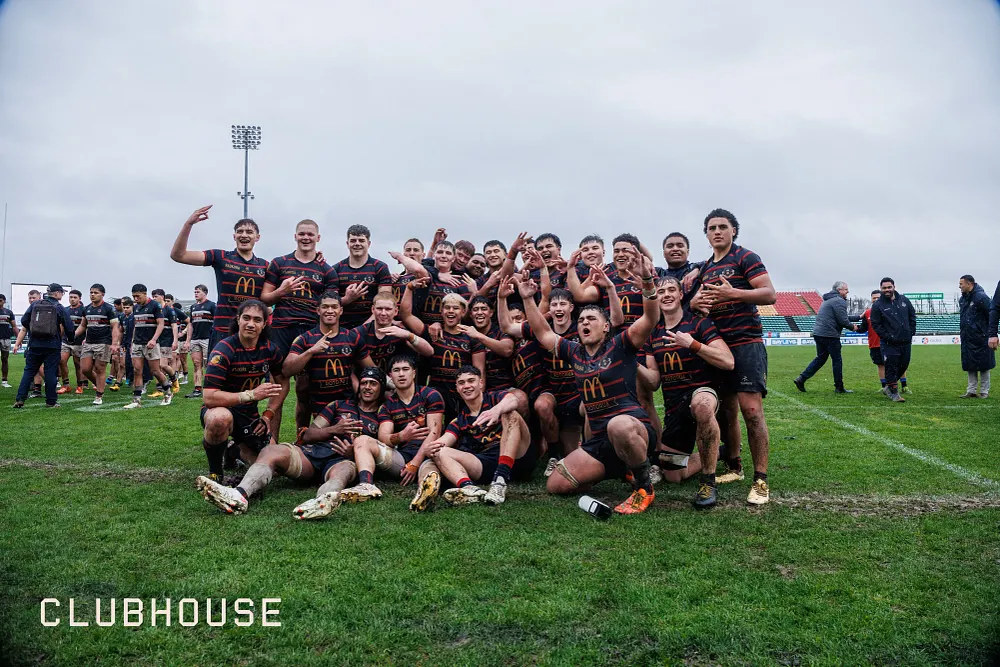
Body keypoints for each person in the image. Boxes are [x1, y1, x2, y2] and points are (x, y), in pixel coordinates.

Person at [524, 246, 662, 515]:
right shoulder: (574, 351)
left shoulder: (620, 345)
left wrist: (647, 281)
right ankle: (620, 468)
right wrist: (529, 299)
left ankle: (644, 487)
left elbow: (650, 317)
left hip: (632, 429)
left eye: (591, 319)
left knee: (618, 425)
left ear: (606, 326)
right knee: (557, 484)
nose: (584, 323)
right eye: (581, 320)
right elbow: (543, 333)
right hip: (598, 440)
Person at [688, 209, 776, 505]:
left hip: (745, 343)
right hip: (717, 346)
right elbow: (700, 305)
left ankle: (761, 480)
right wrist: (696, 303)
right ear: (706, 233)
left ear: (733, 230)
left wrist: (733, 294)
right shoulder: (704, 269)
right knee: (725, 412)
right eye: (711, 228)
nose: (717, 232)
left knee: (752, 411)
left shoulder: (745, 257)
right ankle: (734, 467)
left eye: (722, 227)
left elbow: (769, 294)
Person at [645, 277, 734, 508]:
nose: (666, 295)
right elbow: (653, 383)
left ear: (681, 295)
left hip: (702, 392)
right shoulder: (653, 334)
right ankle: (720, 452)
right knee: (673, 475)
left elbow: (728, 361)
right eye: (661, 291)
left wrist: (693, 345)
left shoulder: (699, 324)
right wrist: (631, 364)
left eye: (671, 290)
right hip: (675, 406)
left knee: (701, 405)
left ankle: (708, 482)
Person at [261, 219, 341, 439]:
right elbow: (265, 298)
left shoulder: (326, 270)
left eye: (310, 234)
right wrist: (281, 291)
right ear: (295, 236)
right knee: (277, 387)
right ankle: (272, 441)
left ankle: (302, 440)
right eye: (302, 234)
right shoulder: (279, 263)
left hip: (310, 331)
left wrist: (348, 298)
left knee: (305, 390)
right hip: (281, 329)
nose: (306, 238)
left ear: (318, 238)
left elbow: (331, 303)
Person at [194, 299, 283, 489]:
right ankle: (216, 473)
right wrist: (251, 395)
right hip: (220, 408)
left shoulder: (269, 349)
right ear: (238, 320)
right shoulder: (224, 349)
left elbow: (282, 383)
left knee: (273, 468)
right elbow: (209, 397)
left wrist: (267, 416)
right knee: (219, 419)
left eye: (257, 320)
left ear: (264, 324)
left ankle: (234, 450)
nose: (251, 324)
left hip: (249, 416)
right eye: (246, 318)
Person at [423, 366, 534, 506]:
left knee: (510, 413)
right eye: (461, 383)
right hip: (486, 463)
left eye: (471, 381)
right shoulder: (459, 420)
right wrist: (429, 449)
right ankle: (470, 489)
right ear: (457, 388)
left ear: (480, 383)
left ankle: (500, 480)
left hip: (518, 456)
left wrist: (496, 411)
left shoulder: (495, 398)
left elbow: (514, 400)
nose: (466, 386)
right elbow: (443, 442)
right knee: (439, 451)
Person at [347, 355, 445, 510]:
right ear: (390, 376)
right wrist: (402, 436)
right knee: (362, 440)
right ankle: (366, 485)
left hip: (429, 454)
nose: (401, 374)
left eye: (405, 369)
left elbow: (435, 433)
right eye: (396, 370)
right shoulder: (387, 405)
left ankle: (424, 494)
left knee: (429, 470)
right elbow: (383, 437)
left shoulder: (430, 395)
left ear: (414, 372)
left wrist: (415, 464)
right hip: (403, 457)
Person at [291, 366, 389, 519]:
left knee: (341, 475)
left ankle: (319, 504)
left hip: (343, 462)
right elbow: (308, 435)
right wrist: (334, 429)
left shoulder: (383, 415)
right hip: (316, 453)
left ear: (381, 388)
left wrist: (354, 454)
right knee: (272, 452)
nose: (367, 387)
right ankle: (247, 491)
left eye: (373, 383)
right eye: (364, 383)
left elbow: (381, 451)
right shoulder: (338, 405)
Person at [170, 206, 269, 356]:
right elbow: (178, 255)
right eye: (240, 231)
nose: (244, 235)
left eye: (249, 232)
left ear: (257, 237)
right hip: (223, 330)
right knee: (217, 371)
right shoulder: (220, 257)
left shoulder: (265, 266)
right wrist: (188, 224)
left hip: (252, 333)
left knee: (251, 371)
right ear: (234, 236)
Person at [281, 291, 374, 422]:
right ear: (318, 310)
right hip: (317, 407)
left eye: (334, 307)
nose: (330, 311)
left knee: (344, 433)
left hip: (346, 404)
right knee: (317, 432)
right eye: (325, 307)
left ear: (341, 311)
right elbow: (287, 370)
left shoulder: (353, 338)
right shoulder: (305, 339)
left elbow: (371, 369)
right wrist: (311, 351)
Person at [399, 286, 486, 420]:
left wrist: (479, 402)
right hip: (434, 396)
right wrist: (410, 287)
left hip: (462, 396)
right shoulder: (432, 332)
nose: (451, 311)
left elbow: (480, 372)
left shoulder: (472, 338)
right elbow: (406, 315)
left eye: (455, 308)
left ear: (463, 312)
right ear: (442, 311)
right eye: (447, 308)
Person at [13, 284, 75, 408]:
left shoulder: (35, 305)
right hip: (52, 345)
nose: (62, 295)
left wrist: (34, 330)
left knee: (29, 371)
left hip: (35, 344)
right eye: (62, 293)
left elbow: (24, 320)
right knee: (50, 372)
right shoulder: (59, 307)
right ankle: (51, 401)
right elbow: (69, 327)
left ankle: (20, 399)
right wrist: (71, 339)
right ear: (57, 293)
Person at [793, 281, 858, 394]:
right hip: (830, 334)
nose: (848, 291)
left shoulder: (829, 300)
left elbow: (841, 317)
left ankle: (801, 378)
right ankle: (839, 387)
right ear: (839, 290)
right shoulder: (839, 301)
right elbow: (843, 320)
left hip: (819, 333)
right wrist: (853, 327)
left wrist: (859, 317)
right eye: (846, 289)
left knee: (821, 358)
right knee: (837, 360)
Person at [352, 293, 434, 375]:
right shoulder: (358, 333)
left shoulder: (401, 333)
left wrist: (408, 335)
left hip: (396, 380)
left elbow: (429, 352)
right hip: (366, 380)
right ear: (373, 309)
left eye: (388, 309)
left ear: (395, 311)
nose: (383, 313)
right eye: (379, 309)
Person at [333, 224, 394, 330]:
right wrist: (347, 299)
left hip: (372, 328)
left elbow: (385, 302)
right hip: (342, 328)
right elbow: (330, 303)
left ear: (369, 244)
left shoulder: (380, 268)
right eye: (353, 241)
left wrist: (363, 329)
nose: (357, 244)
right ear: (347, 244)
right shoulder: (336, 269)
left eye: (361, 240)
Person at [122, 284, 173, 409]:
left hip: (150, 344)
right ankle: (136, 400)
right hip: (137, 344)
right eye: (133, 296)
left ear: (145, 294)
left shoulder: (155, 305)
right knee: (137, 371)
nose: (135, 299)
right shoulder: (136, 308)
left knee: (155, 371)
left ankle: (168, 392)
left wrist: (154, 340)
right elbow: (136, 326)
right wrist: (132, 342)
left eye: (137, 296)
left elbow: (161, 324)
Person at [869, 277, 916, 403]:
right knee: (891, 367)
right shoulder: (878, 305)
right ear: (881, 289)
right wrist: (887, 337)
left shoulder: (904, 300)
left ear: (894, 287)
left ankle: (888, 387)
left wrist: (911, 332)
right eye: (884, 288)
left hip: (905, 341)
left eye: (889, 287)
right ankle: (894, 393)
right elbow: (876, 324)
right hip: (889, 343)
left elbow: (912, 316)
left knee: (904, 365)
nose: (887, 290)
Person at [76, 284, 121, 406]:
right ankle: (99, 384)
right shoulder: (87, 309)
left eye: (95, 293)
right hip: (89, 342)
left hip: (104, 342)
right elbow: (83, 325)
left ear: (102, 294)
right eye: (91, 292)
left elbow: (115, 327)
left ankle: (99, 395)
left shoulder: (109, 309)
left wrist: (114, 343)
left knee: (100, 368)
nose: (92, 295)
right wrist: (73, 335)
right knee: (85, 369)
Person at [958, 275, 994, 399]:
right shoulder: (963, 299)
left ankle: (984, 391)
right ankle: (971, 390)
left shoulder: (981, 297)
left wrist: (989, 333)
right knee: (970, 364)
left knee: (984, 364)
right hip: (967, 337)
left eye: (961, 284)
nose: (959, 286)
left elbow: (991, 315)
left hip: (981, 337)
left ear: (969, 284)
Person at [184, 285, 216, 399]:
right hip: (195, 339)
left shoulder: (212, 305)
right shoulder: (193, 307)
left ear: (205, 293)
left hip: (208, 338)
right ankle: (197, 389)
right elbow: (191, 324)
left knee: (209, 364)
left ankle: (212, 387)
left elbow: (216, 322)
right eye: (195, 292)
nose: (195, 294)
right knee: (196, 363)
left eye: (198, 292)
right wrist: (188, 340)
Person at [151, 289, 180, 395]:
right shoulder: (154, 309)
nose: (154, 298)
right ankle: (159, 389)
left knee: (163, 365)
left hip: (166, 340)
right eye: (153, 297)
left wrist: (175, 340)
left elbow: (174, 326)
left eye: (156, 296)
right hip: (156, 341)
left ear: (162, 297)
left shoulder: (169, 310)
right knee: (156, 367)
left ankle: (174, 379)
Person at [58, 289, 87, 394]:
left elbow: (86, 326)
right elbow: (62, 326)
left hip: (78, 342)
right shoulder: (65, 310)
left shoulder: (84, 310)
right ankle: (66, 385)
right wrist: (59, 337)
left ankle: (80, 385)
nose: (72, 299)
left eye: (75, 297)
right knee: (62, 361)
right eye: (71, 297)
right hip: (65, 341)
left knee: (77, 364)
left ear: (79, 298)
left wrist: (86, 338)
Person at [858, 290, 886, 392]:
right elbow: (863, 328)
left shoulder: (889, 309)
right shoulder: (867, 312)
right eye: (874, 298)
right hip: (874, 344)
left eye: (878, 297)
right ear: (871, 299)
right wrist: (853, 327)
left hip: (888, 343)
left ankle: (902, 385)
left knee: (895, 365)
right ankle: (884, 387)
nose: (876, 299)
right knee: (880, 365)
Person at [0, 294, 18, 388]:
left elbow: (14, 326)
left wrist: (18, 338)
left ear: (4, 301)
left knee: (5, 359)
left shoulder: (8, 312)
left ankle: (4, 381)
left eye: (0, 300)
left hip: (5, 338)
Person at [172, 296, 190, 385]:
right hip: (176, 341)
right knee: (175, 358)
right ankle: (175, 376)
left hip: (183, 341)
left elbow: (190, 324)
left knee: (183, 360)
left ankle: (185, 377)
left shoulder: (184, 318)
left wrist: (183, 332)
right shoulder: (173, 318)